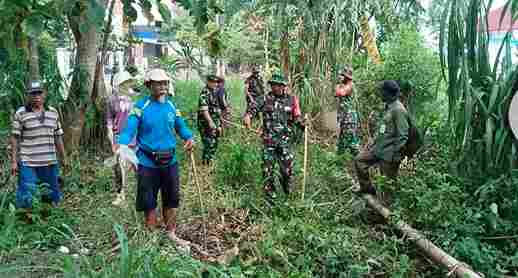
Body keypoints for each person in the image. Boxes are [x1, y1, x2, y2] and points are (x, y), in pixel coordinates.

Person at [118, 68, 194, 240]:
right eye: (158, 83)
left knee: (171, 199)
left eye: (165, 83)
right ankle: (151, 235)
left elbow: (180, 126)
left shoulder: (171, 106)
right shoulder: (141, 106)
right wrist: (122, 144)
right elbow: (130, 128)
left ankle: (171, 233)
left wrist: (189, 137)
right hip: (147, 162)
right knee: (148, 201)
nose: (162, 86)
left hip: (170, 161)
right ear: (149, 85)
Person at [243, 72, 305, 200]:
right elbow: (252, 108)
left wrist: (303, 123)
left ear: (283, 86)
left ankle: (287, 192)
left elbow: (297, 117)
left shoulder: (292, 100)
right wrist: (248, 116)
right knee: (267, 171)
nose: (275, 87)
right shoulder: (265, 99)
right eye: (272, 85)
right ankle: (270, 198)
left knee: (286, 171)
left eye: (278, 85)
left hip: (285, 142)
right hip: (269, 142)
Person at [10, 80, 66, 210]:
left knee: (51, 196)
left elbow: (58, 136)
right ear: (28, 95)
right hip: (28, 162)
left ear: (44, 94)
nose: (36, 96)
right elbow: (14, 137)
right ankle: (26, 223)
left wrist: (64, 157)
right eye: (33, 93)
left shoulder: (53, 112)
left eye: (39, 93)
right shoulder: (21, 113)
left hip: (49, 161)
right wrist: (14, 161)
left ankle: (49, 223)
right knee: (27, 196)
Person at [354, 80, 409, 195]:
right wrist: (373, 141)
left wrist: (395, 156)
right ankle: (367, 189)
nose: (380, 94)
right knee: (359, 161)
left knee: (387, 186)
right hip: (378, 149)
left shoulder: (399, 110)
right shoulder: (389, 107)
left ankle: (388, 209)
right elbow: (384, 129)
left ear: (388, 93)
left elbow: (403, 135)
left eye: (382, 92)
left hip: (389, 155)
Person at [106, 71, 136, 206]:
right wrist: (111, 140)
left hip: (135, 137)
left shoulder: (134, 98)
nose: (126, 85)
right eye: (123, 83)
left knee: (136, 166)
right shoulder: (111, 100)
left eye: (127, 82)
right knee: (119, 167)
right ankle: (120, 195)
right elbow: (109, 122)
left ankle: (137, 194)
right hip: (119, 137)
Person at [197, 73, 228, 165]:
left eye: (216, 82)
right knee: (208, 143)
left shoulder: (215, 92)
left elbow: (218, 108)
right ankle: (206, 164)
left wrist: (220, 122)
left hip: (216, 121)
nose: (215, 84)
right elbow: (204, 110)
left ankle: (210, 161)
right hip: (206, 124)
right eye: (212, 82)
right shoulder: (204, 93)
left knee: (215, 142)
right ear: (208, 82)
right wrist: (210, 123)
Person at [335, 66, 360, 156]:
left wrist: (338, 86)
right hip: (344, 118)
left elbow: (340, 93)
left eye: (343, 75)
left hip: (349, 118)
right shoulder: (344, 85)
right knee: (341, 141)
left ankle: (359, 160)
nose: (341, 77)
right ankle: (339, 160)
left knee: (351, 142)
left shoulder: (350, 85)